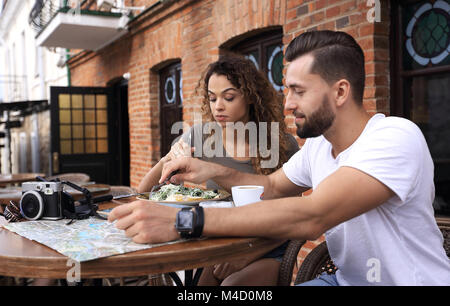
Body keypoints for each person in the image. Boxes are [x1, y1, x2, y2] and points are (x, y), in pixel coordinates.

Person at [109, 31, 450, 286]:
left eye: (299, 91)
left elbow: (313, 215)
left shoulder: (395, 137)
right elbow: (271, 185)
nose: (287, 104)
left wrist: (184, 221)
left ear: (341, 91)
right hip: (342, 280)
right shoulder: (318, 147)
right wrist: (210, 169)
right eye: (287, 90)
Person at [137, 54, 299, 286]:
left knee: (231, 286)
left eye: (229, 97)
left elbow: (296, 216)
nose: (218, 107)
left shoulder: (282, 144)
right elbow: (143, 192)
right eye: (212, 99)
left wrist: (246, 256)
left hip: (267, 247)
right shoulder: (201, 136)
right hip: (220, 245)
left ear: (251, 97)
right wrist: (167, 159)